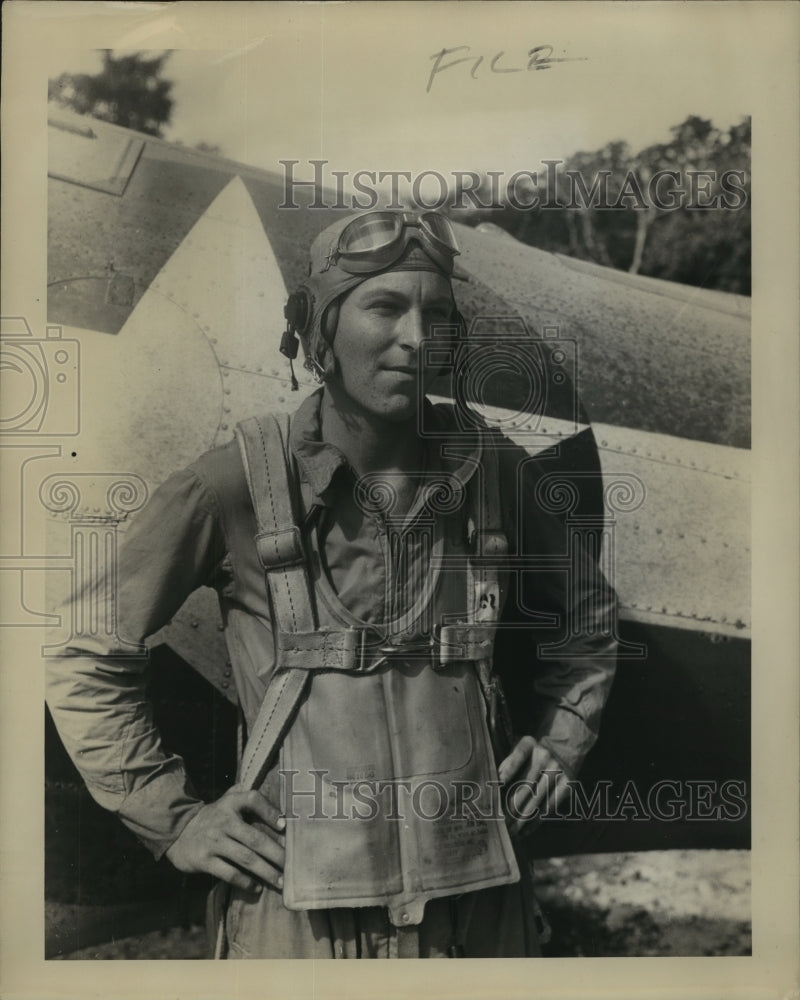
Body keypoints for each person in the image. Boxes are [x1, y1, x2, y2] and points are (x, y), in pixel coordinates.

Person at [46, 209, 618, 959]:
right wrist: (175, 818)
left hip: (478, 907)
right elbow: (83, 649)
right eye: (385, 306)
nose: (417, 338)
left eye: (437, 313)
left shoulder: (497, 472)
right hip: (300, 916)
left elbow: (589, 627)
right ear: (319, 328)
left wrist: (560, 742)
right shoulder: (238, 484)